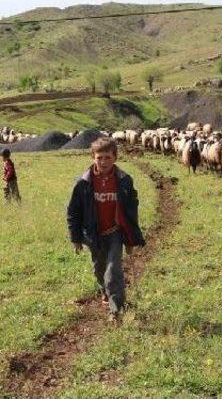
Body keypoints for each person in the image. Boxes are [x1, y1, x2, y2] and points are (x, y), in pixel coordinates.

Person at [67, 137, 145, 321]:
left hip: (115, 233)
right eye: (99, 157)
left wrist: (131, 239)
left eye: (108, 157)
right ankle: (105, 291)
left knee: (113, 270)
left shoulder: (124, 181)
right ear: (92, 157)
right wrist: (75, 237)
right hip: (94, 235)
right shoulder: (83, 183)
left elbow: (131, 212)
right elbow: (73, 210)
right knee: (99, 269)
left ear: (115, 158)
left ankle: (116, 309)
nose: (103, 162)